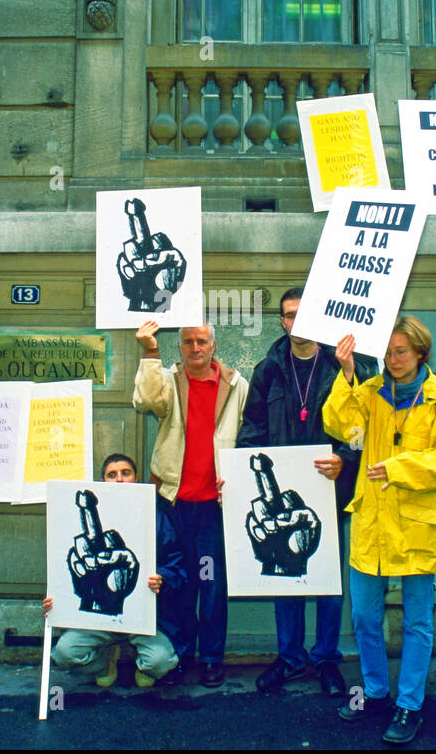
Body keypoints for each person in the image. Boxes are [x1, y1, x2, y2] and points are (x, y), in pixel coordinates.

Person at [322, 317, 436, 745]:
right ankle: (375, 693)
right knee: (365, 616)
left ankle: (409, 705)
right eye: (387, 353)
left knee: (417, 621)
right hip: (371, 521)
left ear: (421, 352)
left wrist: (401, 468)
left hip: (416, 524)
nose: (393, 360)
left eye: (401, 352)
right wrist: (347, 372)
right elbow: (340, 426)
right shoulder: (369, 392)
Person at [237, 287, 376, 697]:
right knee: (284, 568)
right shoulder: (268, 369)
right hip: (282, 486)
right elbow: (253, 428)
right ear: (280, 321)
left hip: (329, 487)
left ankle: (326, 658)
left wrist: (346, 461)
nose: (294, 322)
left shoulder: (345, 364)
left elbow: (363, 427)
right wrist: (244, 473)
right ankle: (290, 656)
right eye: (287, 315)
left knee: (328, 579)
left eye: (301, 313)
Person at [132, 320, 248, 688]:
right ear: (179, 346)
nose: (195, 348)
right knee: (178, 585)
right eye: (187, 342)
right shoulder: (168, 379)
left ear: (214, 345)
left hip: (213, 510)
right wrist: (151, 352)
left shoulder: (236, 385)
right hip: (173, 504)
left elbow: (251, 433)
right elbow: (145, 401)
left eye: (201, 341)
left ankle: (212, 658)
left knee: (210, 584)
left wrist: (240, 476)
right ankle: (180, 655)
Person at [42, 454, 184, 687]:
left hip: (146, 617)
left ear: (136, 478)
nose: (119, 479)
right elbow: (61, 572)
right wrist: (57, 600)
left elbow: (177, 563)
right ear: (103, 481)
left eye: (125, 473)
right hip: (97, 618)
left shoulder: (157, 516)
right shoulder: (78, 529)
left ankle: (141, 663)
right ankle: (105, 660)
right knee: (64, 654)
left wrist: (163, 579)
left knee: (159, 662)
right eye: (112, 475)